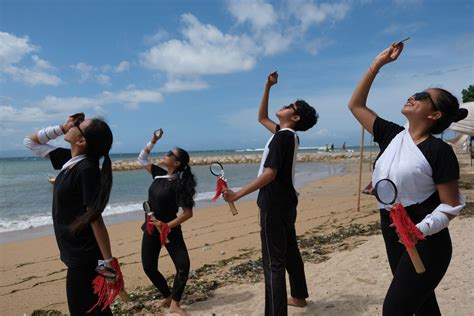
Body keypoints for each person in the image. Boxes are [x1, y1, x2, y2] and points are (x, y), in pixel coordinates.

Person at [348, 42, 468, 315]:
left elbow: (450, 205)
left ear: (434, 114)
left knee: (394, 310)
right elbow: (355, 105)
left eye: (422, 96)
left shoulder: (439, 151)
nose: (413, 96)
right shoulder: (391, 136)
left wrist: (419, 230)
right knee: (423, 306)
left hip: (427, 240)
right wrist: (377, 64)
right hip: (391, 230)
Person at [223, 71, 319, 316]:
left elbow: (269, 175)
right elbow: (261, 117)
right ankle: (298, 296)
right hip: (288, 202)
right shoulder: (288, 135)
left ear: (294, 117)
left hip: (274, 204)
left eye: (290, 106)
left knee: (273, 262)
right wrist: (267, 86)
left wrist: (237, 195)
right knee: (290, 252)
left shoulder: (281, 138)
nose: (285, 105)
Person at [24, 113, 116, 315]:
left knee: (85, 310)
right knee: (95, 310)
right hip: (76, 253)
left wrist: (109, 262)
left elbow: (94, 217)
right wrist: (62, 128)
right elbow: (30, 142)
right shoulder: (70, 161)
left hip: (84, 256)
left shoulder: (87, 170)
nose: (74, 124)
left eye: (79, 124)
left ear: (82, 141)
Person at [137, 128, 196, 315]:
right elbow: (142, 158)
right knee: (149, 267)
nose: (166, 154)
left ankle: (176, 303)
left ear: (177, 163)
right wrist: (153, 140)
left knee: (183, 265)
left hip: (170, 230)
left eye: (171, 154)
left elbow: (188, 213)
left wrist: (167, 226)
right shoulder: (159, 174)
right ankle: (168, 295)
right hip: (150, 228)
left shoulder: (180, 184)